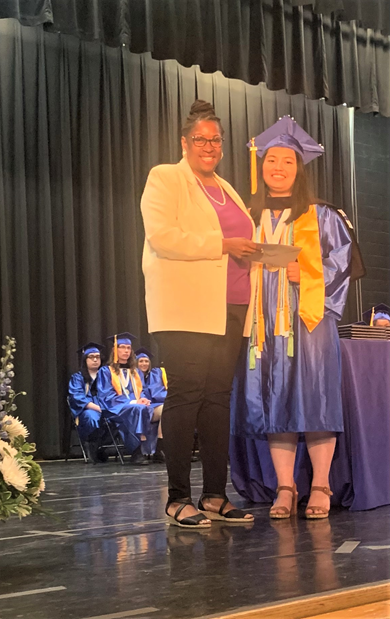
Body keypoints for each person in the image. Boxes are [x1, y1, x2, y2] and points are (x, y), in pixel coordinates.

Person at [141, 100, 256, 527]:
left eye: (216, 140)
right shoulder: (166, 177)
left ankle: (213, 495)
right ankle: (176, 498)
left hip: (232, 306)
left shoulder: (228, 188)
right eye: (201, 140)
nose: (209, 146)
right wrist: (223, 245)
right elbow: (163, 236)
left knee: (218, 400)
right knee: (187, 396)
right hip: (186, 308)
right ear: (185, 143)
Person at [231, 116, 353, 519]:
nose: (278, 168)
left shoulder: (322, 215)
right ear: (261, 166)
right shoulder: (248, 215)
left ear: (299, 169)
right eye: (271, 161)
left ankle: (321, 484)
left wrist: (310, 273)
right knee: (273, 400)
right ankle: (286, 486)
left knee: (315, 399)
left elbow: (342, 263)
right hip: (262, 324)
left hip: (309, 320)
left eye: (287, 162)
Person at [96, 333, 159, 466]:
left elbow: (143, 391)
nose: (126, 351)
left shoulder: (135, 372)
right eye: (122, 347)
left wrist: (143, 399)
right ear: (115, 350)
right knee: (138, 409)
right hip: (115, 408)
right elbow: (106, 396)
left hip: (136, 406)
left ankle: (159, 450)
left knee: (162, 408)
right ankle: (137, 452)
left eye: (129, 348)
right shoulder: (106, 371)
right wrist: (134, 402)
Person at [68, 342, 108, 464]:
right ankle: (92, 448)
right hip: (88, 409)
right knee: (92, 417)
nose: (95, 360)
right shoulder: (78, 378)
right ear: (85, 359)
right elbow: (77, 397)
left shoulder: (106, 376)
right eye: (91, 357)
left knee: (119, 417)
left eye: (97, 356)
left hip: (106, 407)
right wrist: (97, 407)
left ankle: (101, 447)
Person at [136, 347, 166, 463]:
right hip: (140, 407)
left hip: (153, 406)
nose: (144, 364)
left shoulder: (155, 375)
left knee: (166, 409)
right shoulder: (132, 376)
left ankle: (160, 446)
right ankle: (141, 450)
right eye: (141, 361)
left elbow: (157, 393)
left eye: (146, 361)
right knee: (142, 410)